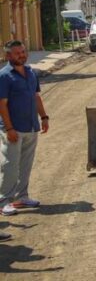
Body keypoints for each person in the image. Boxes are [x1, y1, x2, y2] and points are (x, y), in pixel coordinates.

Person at [0, 41, 50, 220]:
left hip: (31, 126)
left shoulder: (30, 72)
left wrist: (43, 117)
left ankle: (22, 197)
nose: (22, 55)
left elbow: (36, 97)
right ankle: (4, 202)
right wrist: (9, 128)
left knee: (25, 164)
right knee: (9, 166)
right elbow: (2, 105)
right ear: (8, 56)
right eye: (17, 53)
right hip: (13, 129)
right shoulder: (4, 76)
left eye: (23, 51)